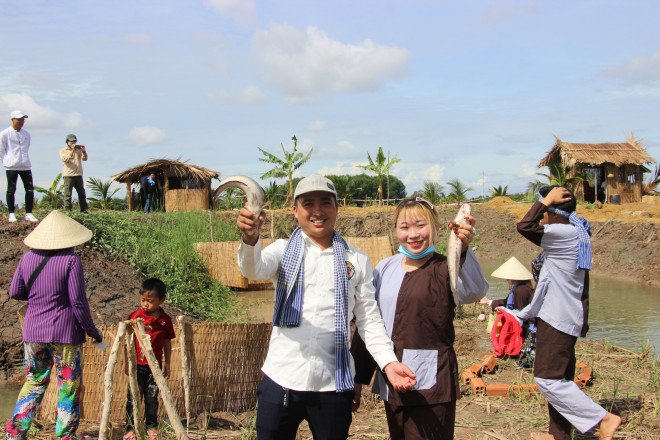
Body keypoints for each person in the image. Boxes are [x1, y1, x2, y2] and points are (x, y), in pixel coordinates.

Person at [236, 174, 417, 440]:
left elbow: (368, 319)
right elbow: (253, 269)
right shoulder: (282, 250)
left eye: (326, 203)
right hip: (282, 378)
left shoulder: (357, 260)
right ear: (295, 211)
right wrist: (250, 237)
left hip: (333, 384)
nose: (318, 211)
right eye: (308, 203)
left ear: (337, 208)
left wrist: (389, 363)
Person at [351, 197, 489, 439]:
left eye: (420, 225)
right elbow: (370, 323)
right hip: (391, 381)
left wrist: (464, 249)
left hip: (431, 385)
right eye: (404, 227)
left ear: (435, 228)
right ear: (396, 231)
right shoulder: (384, 268)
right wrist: (357, 378)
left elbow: (475, 291)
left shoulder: (446, 268)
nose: (413, 235)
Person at [513, 186, 621, 440]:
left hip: (558, 319)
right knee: (561, 382)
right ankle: (557, 435)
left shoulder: (563, 232)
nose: (543, 217)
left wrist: (544, 201)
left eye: (546, 211)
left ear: (554, 212)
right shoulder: (575, 233)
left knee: (547, 380)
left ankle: (603, 418)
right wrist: (525, 313)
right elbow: (548, 282)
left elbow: (525, 226)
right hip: (563, 315)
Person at [5, 210, 103, 440]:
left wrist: (40, 298)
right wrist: (92, 331)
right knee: (68, 383)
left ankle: (14, 433)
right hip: (65, 333)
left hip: (33, 332)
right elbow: (78, 303)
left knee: (35, 381)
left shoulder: (26, 259)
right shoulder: (71, 261)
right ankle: (66, 436)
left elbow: (15, 292)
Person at [123, 278, 175, 440]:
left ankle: (151, 426)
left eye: (150, 301)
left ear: (162, 300)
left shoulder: (165, 320)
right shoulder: (135, 317)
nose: (145, 304)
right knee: (133, 397)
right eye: (143, 300)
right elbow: (128, 342)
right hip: (137, 364)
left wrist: (167, 364)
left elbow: (167, 342)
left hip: (155, 365)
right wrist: (127, 363)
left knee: (152, 396)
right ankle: (130, 428)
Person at [0, 110, 37, 223]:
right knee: (11, 189)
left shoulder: (26, 134)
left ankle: (29, 213)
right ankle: (11, 213)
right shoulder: (5, 133)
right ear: (13, 119)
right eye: (19, 119)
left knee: (30, 189)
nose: (21, 122)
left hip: (25, 165)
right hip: (11, 165)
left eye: (23, 120)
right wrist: (5, 161)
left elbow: (27, 147)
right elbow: (1, 149)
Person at [59, 134, 88, 212]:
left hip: (78, 174)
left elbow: (84, 159)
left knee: (82, 193)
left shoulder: (78, 150)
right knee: (68, 194)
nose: (73, 143)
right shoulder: (63, 150)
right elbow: (65, 160)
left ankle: (84, 210)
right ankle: (68, 210)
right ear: (67, 141)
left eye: (74, 141)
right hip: (68, 175)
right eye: (71, 141)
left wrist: (84, 152)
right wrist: (72, 151)